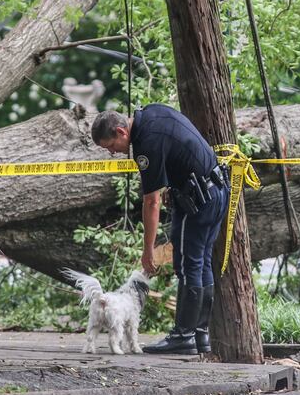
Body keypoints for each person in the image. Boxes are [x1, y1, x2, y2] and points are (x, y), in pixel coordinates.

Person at [91, 104, 230, 354]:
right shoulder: (152, 113)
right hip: (217, 189)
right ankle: (200, 335)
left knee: (188, 265)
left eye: (110, 146)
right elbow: (179, 149)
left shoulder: (146, 144)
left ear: (122, 132)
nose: (112, 153)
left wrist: (148, 251)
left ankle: (183, 336)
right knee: (202, 263)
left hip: (198, 202)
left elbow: (151, 201)